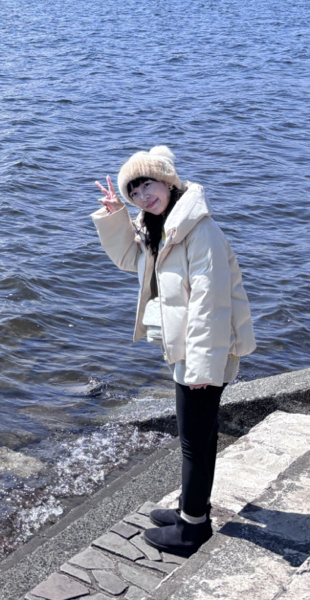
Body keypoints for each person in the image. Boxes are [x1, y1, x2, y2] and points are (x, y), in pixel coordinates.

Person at [92, 146, 255, 557]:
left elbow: (211, 304)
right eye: (135, 191)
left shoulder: (199, 230)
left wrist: (202, 366)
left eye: (148, 184)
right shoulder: (163, 225)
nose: (144, 196)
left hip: (205, 352)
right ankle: (190, 509)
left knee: (195, 443)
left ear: (168, 181)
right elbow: (132, 259)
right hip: (188, 348)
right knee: (194, 438)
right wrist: (116, 217)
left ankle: (192, 529)